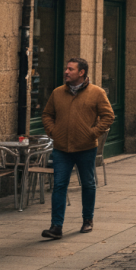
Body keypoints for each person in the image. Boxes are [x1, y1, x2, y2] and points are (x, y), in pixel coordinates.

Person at [40, 58, 115, 240]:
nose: (66, 72)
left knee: (88, 184)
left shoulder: (96, 93)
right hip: (61, 149)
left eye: (70, 69)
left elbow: (108, 116)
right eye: (66, 68)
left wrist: (92, 133)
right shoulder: (58, 93)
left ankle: (87, 219)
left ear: (81, 72)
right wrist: (53, 131)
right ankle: (56, 226)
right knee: (59, 185)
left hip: (85, 148)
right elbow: (47, 114)